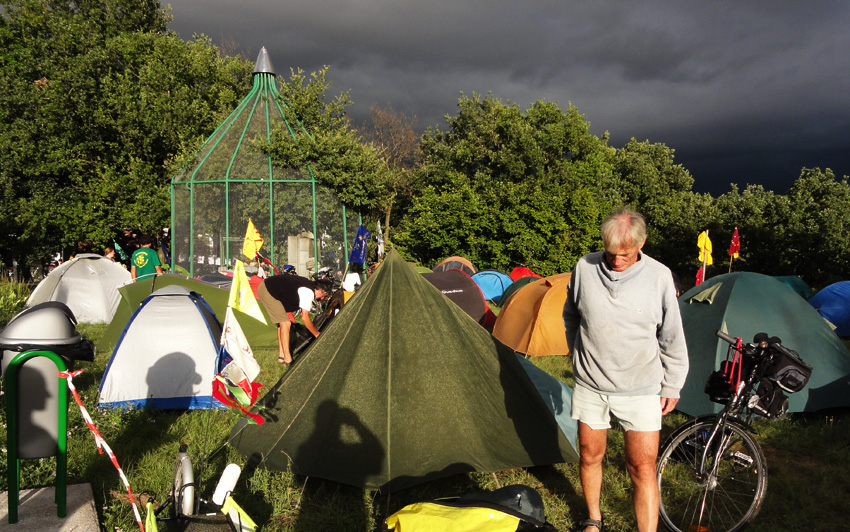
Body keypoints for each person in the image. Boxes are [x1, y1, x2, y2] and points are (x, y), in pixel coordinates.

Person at [563, 208, 688, 532]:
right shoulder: (584, 267)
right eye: (611, 253)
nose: (617, 261)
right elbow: (571, 315)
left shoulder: (659, 276)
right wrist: (577, 354)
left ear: (641, 243)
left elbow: (671, 335)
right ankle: (593, 519)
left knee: (641, 467)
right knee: (590, 455)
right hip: (591, 385)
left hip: (641, 387)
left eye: (626, 254)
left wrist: (673, 384)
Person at [257, 273, 332, 366]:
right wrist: (317, 334)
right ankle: (288, 360)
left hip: (268, 287)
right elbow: (305, 317)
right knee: (286, 323)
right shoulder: (308, 292)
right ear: (319, 290)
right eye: (324, 295)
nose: (322, 297)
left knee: (282, 323)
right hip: (268, 290)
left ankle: (281, 357)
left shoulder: (308, 286)